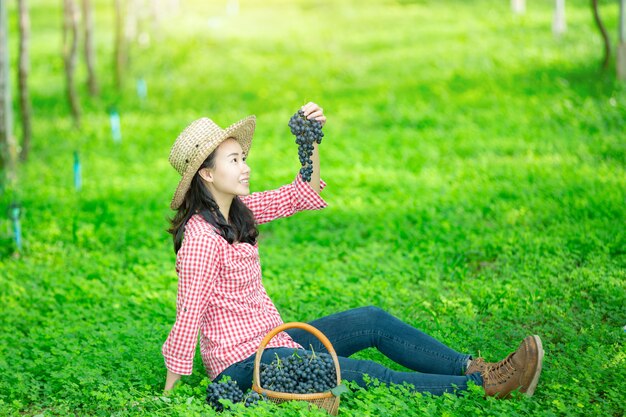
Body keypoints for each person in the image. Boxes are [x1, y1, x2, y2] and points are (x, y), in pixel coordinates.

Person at [162, 102, 544, 398]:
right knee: (364, 373)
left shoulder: (239, 210)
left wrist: (311, 139)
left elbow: (300, 193)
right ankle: (484, 387)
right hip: (244, 365)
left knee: (372, 320)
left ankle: (474, 367)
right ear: (207, 174)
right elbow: (188, 316)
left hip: (276, 341)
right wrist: (170, 396)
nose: (245, 167)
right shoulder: (201, 238)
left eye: (243, 157)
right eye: (234, 160)